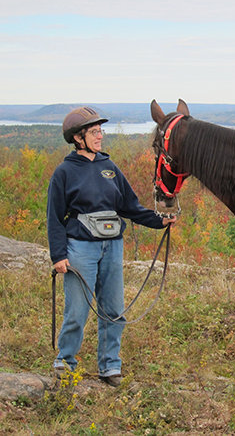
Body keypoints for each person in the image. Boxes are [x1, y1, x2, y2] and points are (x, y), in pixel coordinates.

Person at [47, 106, 176, 386]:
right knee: (78, 310)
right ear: (78, 138)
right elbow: (54, 218)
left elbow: (129, 206)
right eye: (94, 132)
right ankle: (65, 360)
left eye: (100, 131)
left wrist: (159, 221)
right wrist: (58, 255)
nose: (100, 136)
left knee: (114, 309)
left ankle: (109, 366)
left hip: (112, 247)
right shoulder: (64, 172)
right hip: (80, 248)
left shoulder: (109, 167)